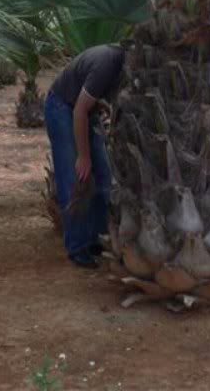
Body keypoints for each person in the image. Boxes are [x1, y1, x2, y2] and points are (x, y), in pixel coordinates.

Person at [45, 44, 125, 267]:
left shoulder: (121, 67)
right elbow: (79, 110)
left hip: (87, 113)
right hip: (62, 107)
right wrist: (83, 156)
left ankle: (97, 239)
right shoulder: (107, 64)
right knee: (74, 179)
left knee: (104, 176)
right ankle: (78, 247)